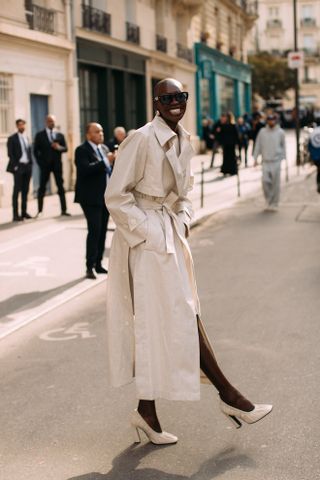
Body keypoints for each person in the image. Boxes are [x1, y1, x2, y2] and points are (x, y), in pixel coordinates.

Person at [105, 78, 272, 445]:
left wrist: (181, 218)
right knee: (179, 314)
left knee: (174, 315)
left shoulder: (185, 140)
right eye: (167, 98)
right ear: (156, 102)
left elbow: (186, 192)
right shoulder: (141, 138)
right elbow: (116, 196)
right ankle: (231, 397)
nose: (175, 103)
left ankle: (146, 411)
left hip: (170, 234)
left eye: (180, 96)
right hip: (147, 241)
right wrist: (148, 231)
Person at [74, 123, 113, 279]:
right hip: (90, 198)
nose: (101, 134)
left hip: (105, 197)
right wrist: (105, 162)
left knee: (103, 230)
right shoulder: (82, 150)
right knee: (95, 230)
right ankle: (89, 266)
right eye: (97, 132)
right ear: (88, 135)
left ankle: (98, 263)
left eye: (102, 131)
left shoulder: (104, 149)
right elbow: (85, 170)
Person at [34, 115, 70, 217]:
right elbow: (36, 151)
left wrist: (58, 147)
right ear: (46, 122)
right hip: (45, 166)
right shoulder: (39, 135)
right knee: (42, 188)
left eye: (53, 121)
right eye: (49, 121)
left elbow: (66, 149)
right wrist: (40, 164)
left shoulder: (59, 135)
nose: (51, 123)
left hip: (57, 166)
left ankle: (64, 210)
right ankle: (40, 211)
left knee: (60, 187)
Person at [253, 113, 286, 211]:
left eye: (273, 120)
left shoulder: (280, 132)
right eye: (269, 120)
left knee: (275, 183)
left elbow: (283, 145)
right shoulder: (262, 132)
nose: (271, 122)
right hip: (265, 161)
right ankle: (268, 200)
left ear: (275, 121)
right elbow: (258, 144)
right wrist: (255, 158)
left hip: (276, 160)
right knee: (265, 182)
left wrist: (283, 158)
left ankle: (274, 203)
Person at [6, 119, 33, 222]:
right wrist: (16, 166)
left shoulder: (27, 137)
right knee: (16, 191)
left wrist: (30, 164)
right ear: (17, 126)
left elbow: (29, 152)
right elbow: (10, 154)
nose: (22, 127)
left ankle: (24, 212)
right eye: (19, 125)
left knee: (25, 191)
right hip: (18, 167)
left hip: (27, 167)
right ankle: (15, 215)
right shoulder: (12, 139)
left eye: (23, 125)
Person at [307, 126, 320, 193]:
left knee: (319, 170)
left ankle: (318, 183)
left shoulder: (313, 133)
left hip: (315, 157)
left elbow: (309, 147)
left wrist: (312, 156)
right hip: (317, 157)